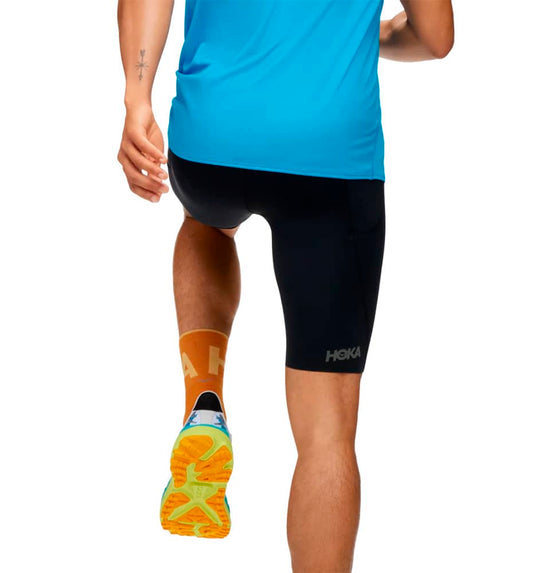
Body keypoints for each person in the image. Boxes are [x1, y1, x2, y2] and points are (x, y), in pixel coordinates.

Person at [117, 0, 454, 570]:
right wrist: (360, 35)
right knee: (327, 435)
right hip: (330, 160)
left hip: (211, 142)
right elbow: (435, 37)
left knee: (207, 225)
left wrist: (136, 97)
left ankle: (204, 399)